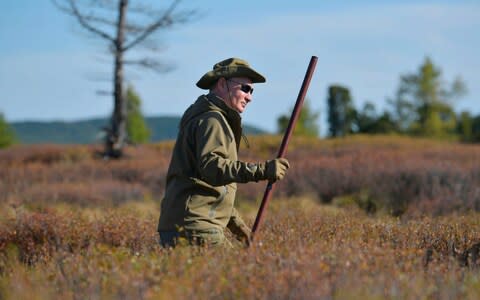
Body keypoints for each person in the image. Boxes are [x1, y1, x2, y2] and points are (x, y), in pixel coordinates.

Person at [157, 58, 290, 248]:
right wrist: (263, 170)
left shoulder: (206, 117)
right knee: (239, 276)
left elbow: (211, 190)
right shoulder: (213, 120)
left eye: (252, 91)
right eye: (245, 88)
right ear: (222, 84)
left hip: (184, 224)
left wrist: (240, 230)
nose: (249, 97)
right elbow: (212, 168)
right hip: (197, 227)